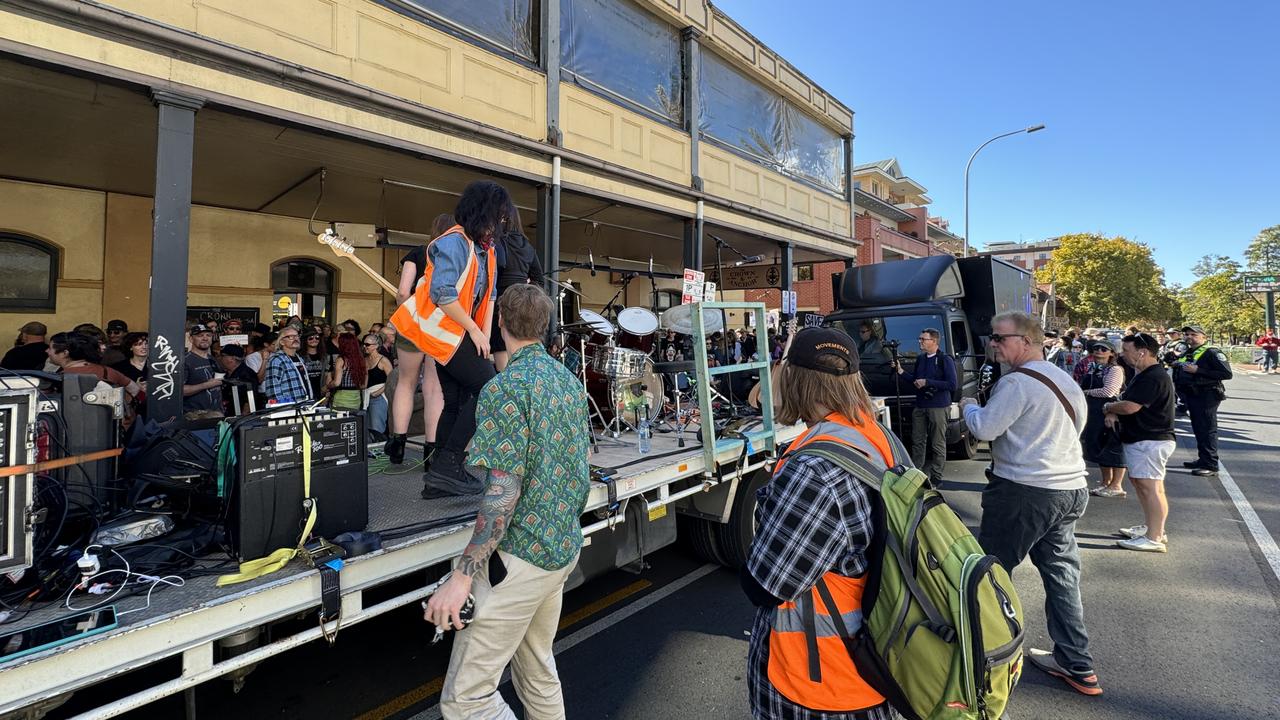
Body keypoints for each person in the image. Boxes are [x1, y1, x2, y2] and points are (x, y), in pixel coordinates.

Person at [425, 284, 589, 719]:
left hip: (520, 557)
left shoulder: (505, 388)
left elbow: (502, 494)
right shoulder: (569, 381)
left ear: (499, 323)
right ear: (546, 325)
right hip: (562, 548)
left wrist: (463, 576)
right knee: (537, 670)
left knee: (467, 699)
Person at [740, 326, 902, 720]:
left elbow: (767, 585)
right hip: (872, 663)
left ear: (794, 379)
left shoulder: (817, 470)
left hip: (820, 682)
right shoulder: (873, 434)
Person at [960, 310, 1100, 696]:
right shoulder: (1062, 379)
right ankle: (1076, 662)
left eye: (999, 337)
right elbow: (1079, 424)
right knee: (1061, 575)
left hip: (1024, 489)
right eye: (992, 336)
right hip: (1070, 487)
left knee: (988, 573)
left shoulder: (1017, 383)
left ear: (1027, 341)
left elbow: (985, 428)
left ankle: (983, 654)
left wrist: (969, 405)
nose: (992, 343)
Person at [392, 181, 507, 497]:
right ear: (482, 213)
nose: (500, 224)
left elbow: (490, 296)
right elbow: (441, 293)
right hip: (446, 334)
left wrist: (481, 335)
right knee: (489, 389)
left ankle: (438, 480)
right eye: (497, 217)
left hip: (454, 336)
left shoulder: (485, 249)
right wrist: (473, 330)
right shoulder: (455, 242)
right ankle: (449, 465)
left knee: (455, 402)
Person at [384, 212, 454, 466]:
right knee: (434, 388)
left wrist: (411, 309)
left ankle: (397, 445)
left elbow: (403, 292)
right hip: (440, 328)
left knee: (405, 381)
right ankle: (431, 452)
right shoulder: (454, 257)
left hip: (413, 326)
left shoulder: (417, 253)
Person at [1104, 333, 1177, 553]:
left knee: (1150, 488)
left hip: (1150, 439)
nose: (1123, 355)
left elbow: (1130, 406)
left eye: (1126, 351)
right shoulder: (1148, 374)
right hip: (1147, 438)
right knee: (1147, 486)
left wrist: (1108, 408)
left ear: (1142, 352)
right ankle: (1153, 528)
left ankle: (1154, 536)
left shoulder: (1152, 376)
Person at [896, 327, 956, 487]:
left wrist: (928, 382)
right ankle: (917, 475)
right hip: (920, 405)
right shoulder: (921, 359)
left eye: (923, 339)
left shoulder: (945, 360)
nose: (920, 342)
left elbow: (952, 384)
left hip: (938, 406)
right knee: (918, 441)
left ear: (934, 341)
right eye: (920, 339)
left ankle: (936, 477)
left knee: (937, 442)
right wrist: (900, 371)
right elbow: (915, 381)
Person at [1172, 324, 1232, 476]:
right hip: (1192, 394)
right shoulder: (1190, 351)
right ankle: (1203, 459)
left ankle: (1210, 464)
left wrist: (1198, 370)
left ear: (1204, 337)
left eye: (1194, 334)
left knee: (1207, 429)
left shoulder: (1212, 352)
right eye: (1187, 334)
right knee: (1199, 428)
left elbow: (1226, 373)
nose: (1189, 337)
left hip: (1207, 395)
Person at [491, 201, 543, 371]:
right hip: (522, 305)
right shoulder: (528, 246)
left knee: (503, 365)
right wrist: (526, 288)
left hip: (500, 303)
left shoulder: (497, 243)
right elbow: (539, 280)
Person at [1080, 342, 1128, 498]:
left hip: (1108, 410)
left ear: (1112, 353)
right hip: (1093, 412)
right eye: (1096, 349)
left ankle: (1116, 485)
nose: (1098, 351)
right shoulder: (1092, 368)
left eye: (1103, 349)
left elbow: (1109, 391)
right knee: (1098, 446)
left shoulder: (1115, 370)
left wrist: (1085, 392)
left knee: (1113, 447)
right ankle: (1105, 482)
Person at [260, 326, 312, 405]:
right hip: (288, 410)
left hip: (304, 406)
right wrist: (284, 409)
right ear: (282, 342)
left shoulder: (300, 359)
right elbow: (273, 391)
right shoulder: (276, 360)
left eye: (297, 336)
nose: (295, 339)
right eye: (290, 337)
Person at [181, 324, 223, 417]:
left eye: (208, 335)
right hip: (194, 415)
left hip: (216, 414)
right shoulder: (185, 360)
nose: (205, 338)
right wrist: (206, 385)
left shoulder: (213, 359)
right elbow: (179, 391)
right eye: (200, 336)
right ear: (191, 339)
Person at [362, 333, 393, 441]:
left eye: (367, 344)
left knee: (377, 428)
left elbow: (392, 379)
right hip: (366, 396)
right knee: (367, 428)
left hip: (379, 397)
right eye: (364, 344)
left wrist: (378, 392)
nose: (364, 346)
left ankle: (380, 451)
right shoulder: (365, 360)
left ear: (376, 345)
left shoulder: (383, 360)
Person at [326, 332, 367, 411]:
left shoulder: (341, 360)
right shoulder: (361, 360)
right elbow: (363, 385)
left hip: (341, 398)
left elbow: (337, 382)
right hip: (356, 398)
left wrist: (328, 385)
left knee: (339, 422)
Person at [218, 343, 261, 412]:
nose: (220, 358)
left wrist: (243, 417)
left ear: (232, 358)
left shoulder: (247, 374)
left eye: (222, 356)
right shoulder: (227, 374)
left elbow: (250, 400)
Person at [299, 328, 328, 399]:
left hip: (321, 392)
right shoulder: (299, 356)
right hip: (304, 392)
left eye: (317, 338)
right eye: (310, 338)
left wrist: (327, 393)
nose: (314, 340)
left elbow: (327, 375)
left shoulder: (324, 356)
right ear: (305, 340)